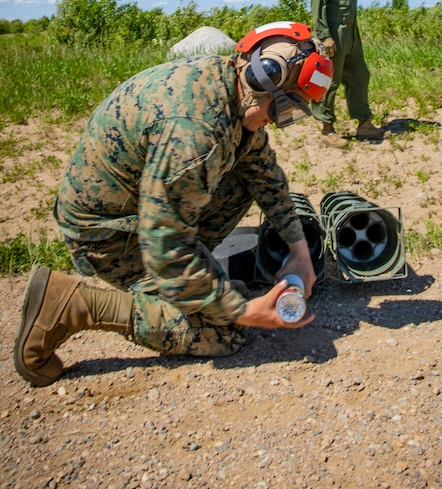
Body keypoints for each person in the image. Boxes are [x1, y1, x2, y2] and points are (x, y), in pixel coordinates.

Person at [14, 22, 333, 388]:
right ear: (265, 77)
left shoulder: (226, 80)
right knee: (225, 332)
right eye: (282, 111)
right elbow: (164, 244)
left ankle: (187, 281)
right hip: (108, 236)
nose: (275, 123)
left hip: (138, 212)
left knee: (246, 180)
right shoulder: (196, 132)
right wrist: (240, 311)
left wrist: (298, 250)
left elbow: (264, 173)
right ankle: (72, 305)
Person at [310, 0, 384, 148]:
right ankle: (327, 129)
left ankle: (364, 125)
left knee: (360, 75)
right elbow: (318, 6)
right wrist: (324, 36)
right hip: (334, 35)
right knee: (329, 81)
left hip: (351, 34)